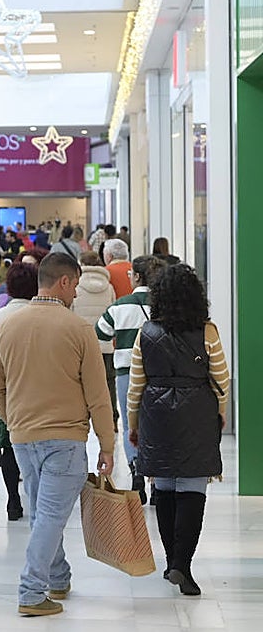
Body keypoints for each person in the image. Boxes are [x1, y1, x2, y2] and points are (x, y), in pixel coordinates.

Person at [0, 253, 116, 617]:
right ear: (63, 282)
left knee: (43, 513)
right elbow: (98, 396)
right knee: (50, 516)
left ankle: (58, 576)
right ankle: (31, 591)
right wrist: (107, 445)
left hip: (22, 437)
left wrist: (13, 420)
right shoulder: (79, 329)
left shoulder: (6, 325)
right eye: (75, 286)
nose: (76, 293)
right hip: (65, 438)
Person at [127, 264, 229, 597]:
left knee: (165, 486)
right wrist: (219, 415)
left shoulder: (146, 332)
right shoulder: (207, 331)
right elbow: (221, 380)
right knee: (192, 486)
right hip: (197, 410)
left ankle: (172, 561)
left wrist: (133, 424)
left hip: (156, 413)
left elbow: (135, 385)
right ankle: (182, 565)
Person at [95, 255, 166, 503]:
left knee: (130, 425)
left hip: (126, 373)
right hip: (159, 375)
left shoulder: (120, 306)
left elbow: (100, 334)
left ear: (136, 276)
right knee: (158, 427)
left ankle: (136, 469)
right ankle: (157, 483)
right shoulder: (166, 307)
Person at [0, 262, 39, 521]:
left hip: (1, 394)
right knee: (34, 448)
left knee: (8, 449)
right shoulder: (41, 316)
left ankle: (13, 500)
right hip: (34, 393)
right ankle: (37, 498)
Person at [72, 250, 117, 432]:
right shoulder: (109, 287)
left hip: (81, 345)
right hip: (105, 344)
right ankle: (112, 420)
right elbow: (112, 314)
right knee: (108, 382)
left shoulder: (76, 287)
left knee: (79, 384)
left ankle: (80, 420)